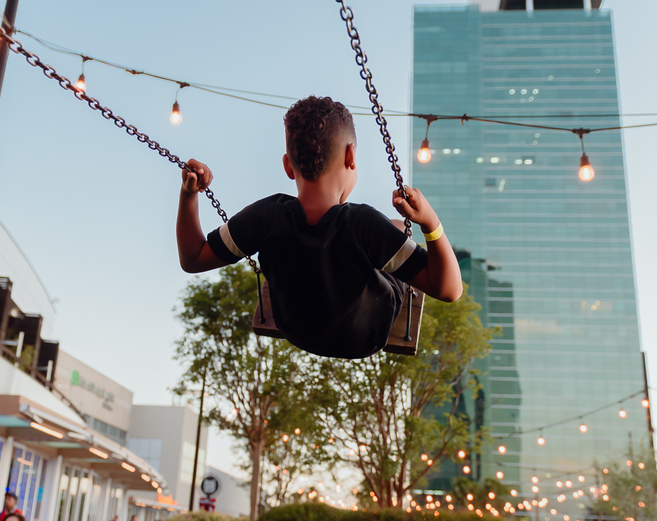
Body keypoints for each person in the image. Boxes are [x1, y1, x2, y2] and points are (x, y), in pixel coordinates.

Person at [176, 96, 463, 359]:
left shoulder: (265, 215)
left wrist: (189, 194)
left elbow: (192, 259)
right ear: (350, 156)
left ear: (289, 166)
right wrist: (430, 223)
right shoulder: (364, 225)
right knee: (398, 225)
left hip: (298, 330)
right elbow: (450, 289)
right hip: (365, 336)